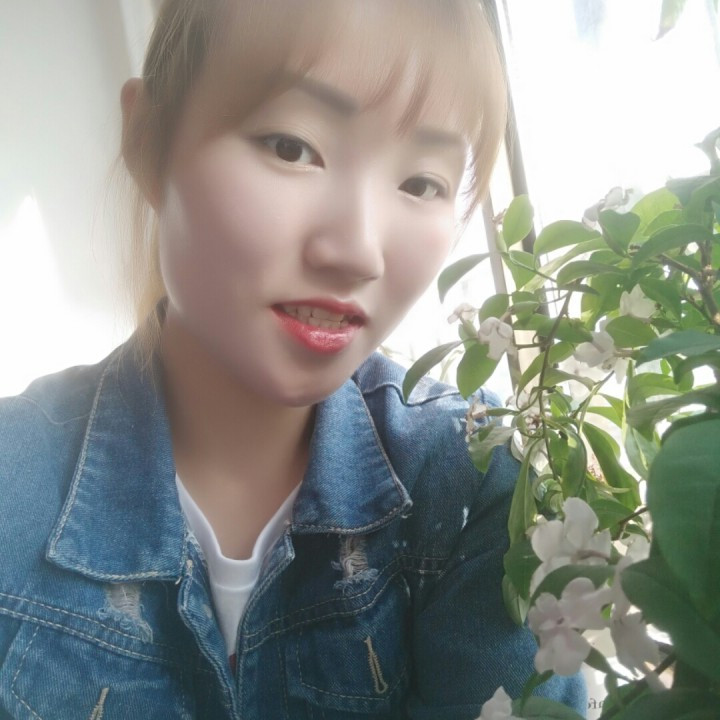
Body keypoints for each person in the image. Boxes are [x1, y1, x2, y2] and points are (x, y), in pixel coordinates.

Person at [0, 1, 585, 718]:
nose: (358, 251)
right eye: (291, 146)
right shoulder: (12, 484)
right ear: (149, 138)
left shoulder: (476, 484)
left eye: (420, 183)